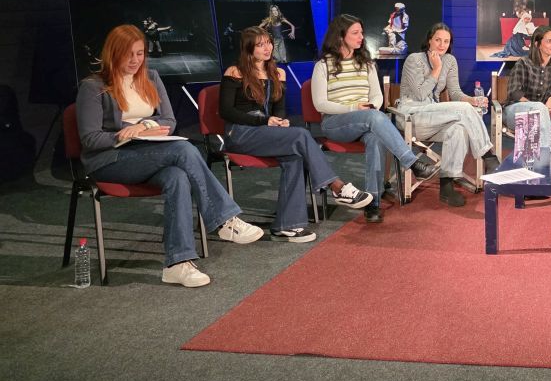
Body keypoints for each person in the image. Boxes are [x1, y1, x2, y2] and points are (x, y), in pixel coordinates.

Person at [75, 25, 263, 288]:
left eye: (140, 53)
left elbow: (169, 121)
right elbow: (90, 139)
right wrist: (123, 135)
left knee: (177, 177)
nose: (135, 60)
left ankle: (178, 263)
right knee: (185, 149)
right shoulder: (93, 87)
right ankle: (225, 219)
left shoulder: (150, 77)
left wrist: (145, 126)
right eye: (128, 54)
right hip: (109, 161)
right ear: (113, 53)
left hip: (150, 153)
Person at [220, 27, 373, 243]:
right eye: (260, 45)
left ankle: (287, 225)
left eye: (268, 43)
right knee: (301, 135)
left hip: (266, 131)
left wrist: (280, 121)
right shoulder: (235, 72)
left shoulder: (278, 73)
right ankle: (337, 186)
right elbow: (226, 112)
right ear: (249, 48)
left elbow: (279, 109)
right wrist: (264, 121)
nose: (267, 48)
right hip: (240, 132)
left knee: (295, 156)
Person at [311, 14, 437, 223]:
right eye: (355, 33)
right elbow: (320, 104)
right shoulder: (323, 65)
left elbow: (377, 96)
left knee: (376, 138)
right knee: (373, 117)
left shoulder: (367, 63)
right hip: (335, 123)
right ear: (340, 36)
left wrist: (372, 107)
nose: (361, 37)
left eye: (361, 32)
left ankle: (373, 203)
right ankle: (412, 162)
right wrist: (354, 108)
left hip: (366, 120)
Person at [398, 23, 501, 207]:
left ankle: (446, 186)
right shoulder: (414, 60)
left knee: (458, 129)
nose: (442, 45)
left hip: (434, 116)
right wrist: (436, 69)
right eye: (438, 40)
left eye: (446, 41)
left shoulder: (450, 61)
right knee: (463, 111)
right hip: (411, 117)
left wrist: (473, 100)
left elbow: (455, 93)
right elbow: (420, 95)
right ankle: (489, 157)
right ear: (429, 41)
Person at [502, 25, 551, 149]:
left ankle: (538, 157)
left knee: (538, 118)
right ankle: (546, 155)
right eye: (549, 41)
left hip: (543, 116)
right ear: (537, 44)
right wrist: (538, 108)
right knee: (538, 111)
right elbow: (514, 92)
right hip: (516, 111)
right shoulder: (523, 62)